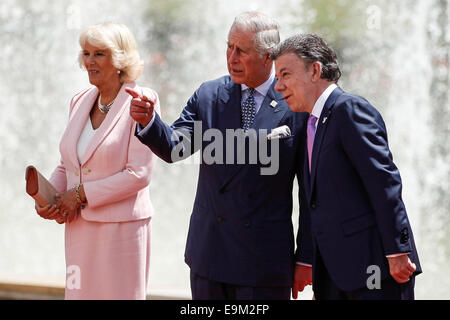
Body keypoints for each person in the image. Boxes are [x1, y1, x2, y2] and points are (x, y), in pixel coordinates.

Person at [127, 12, 313, 300]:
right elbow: (175, 147)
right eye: (229, 47)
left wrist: (306, 257)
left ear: (268, 57)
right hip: (210, 255)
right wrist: (150, 122)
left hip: (263, 262)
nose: (232, 57)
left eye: (242, 51)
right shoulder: (209, 95)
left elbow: (311, 192)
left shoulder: (295, 104)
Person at [271, 33, 422, 300]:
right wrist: (311, 264)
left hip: (376, 271)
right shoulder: (310, 123)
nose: (278, 86)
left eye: (285, 75)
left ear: (315, 70)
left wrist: (398, 250)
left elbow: (384, 182)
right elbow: (313, 202)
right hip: (335, 276)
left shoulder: (350, 109)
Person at [34, 22, 160, 300]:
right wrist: (49, 199)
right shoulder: (79, 100)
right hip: (79, 228)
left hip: (121, 232)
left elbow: (139, 174)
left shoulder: (142, 101)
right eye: (86, 53)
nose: (89, 61)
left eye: (99, 54)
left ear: (120, 59)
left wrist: (79, 194)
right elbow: (66, 165)